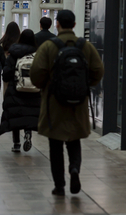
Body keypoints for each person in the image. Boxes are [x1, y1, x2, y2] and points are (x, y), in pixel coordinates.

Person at [30, 10, 104, 196]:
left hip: (54, 102)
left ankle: (60, 185)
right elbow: (98, 70)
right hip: (78, 103)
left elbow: (36, 74)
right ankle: (74, 169)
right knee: (74, 140)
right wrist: (85, 85)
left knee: (55, 144)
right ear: (74, 24)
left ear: (57, 24)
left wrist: (46, 86)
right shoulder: (85, 46)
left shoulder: (48, 46)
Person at [0, 29, 40, 152]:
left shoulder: (14, 53)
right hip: (34, 91)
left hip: (16, 89)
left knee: (16, 116)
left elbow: (6, 74)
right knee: (29, 114)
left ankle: (16, 143)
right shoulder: (37, 54)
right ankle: (28, 133)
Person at [0, 21, 21, 94]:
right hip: (18, 69)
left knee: (6, 89)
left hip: (7, 69)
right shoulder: (20, 41)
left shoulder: (3, 41)